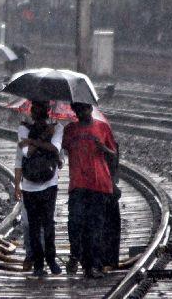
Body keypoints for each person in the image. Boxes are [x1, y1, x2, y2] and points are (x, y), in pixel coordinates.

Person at [62, 102, 117, 279]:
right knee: (75, 224)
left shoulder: (102, 128)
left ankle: (92, 265)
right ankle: (76, 255)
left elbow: (113, 155)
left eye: (84, 109)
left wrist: (103, 148)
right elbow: (60, 148)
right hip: (78, 183)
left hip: (99, 183)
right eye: (77, 110)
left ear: (90, 109)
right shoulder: (70, 130)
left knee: (95, 226)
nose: (80, 113)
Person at [14, 101, 63, 277]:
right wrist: (42, 137)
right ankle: (38, 264)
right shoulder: (23, 129)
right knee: (34, 226)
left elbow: (55, 148)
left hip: (50, 183)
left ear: (47, 112)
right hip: (29, 184)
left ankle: (51, 259)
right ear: (32, 112)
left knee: (48, 224)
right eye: (36, 109)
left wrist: (33, 141)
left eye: (41, 110)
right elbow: (27, 153)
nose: (39, 113)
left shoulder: (58, 128)